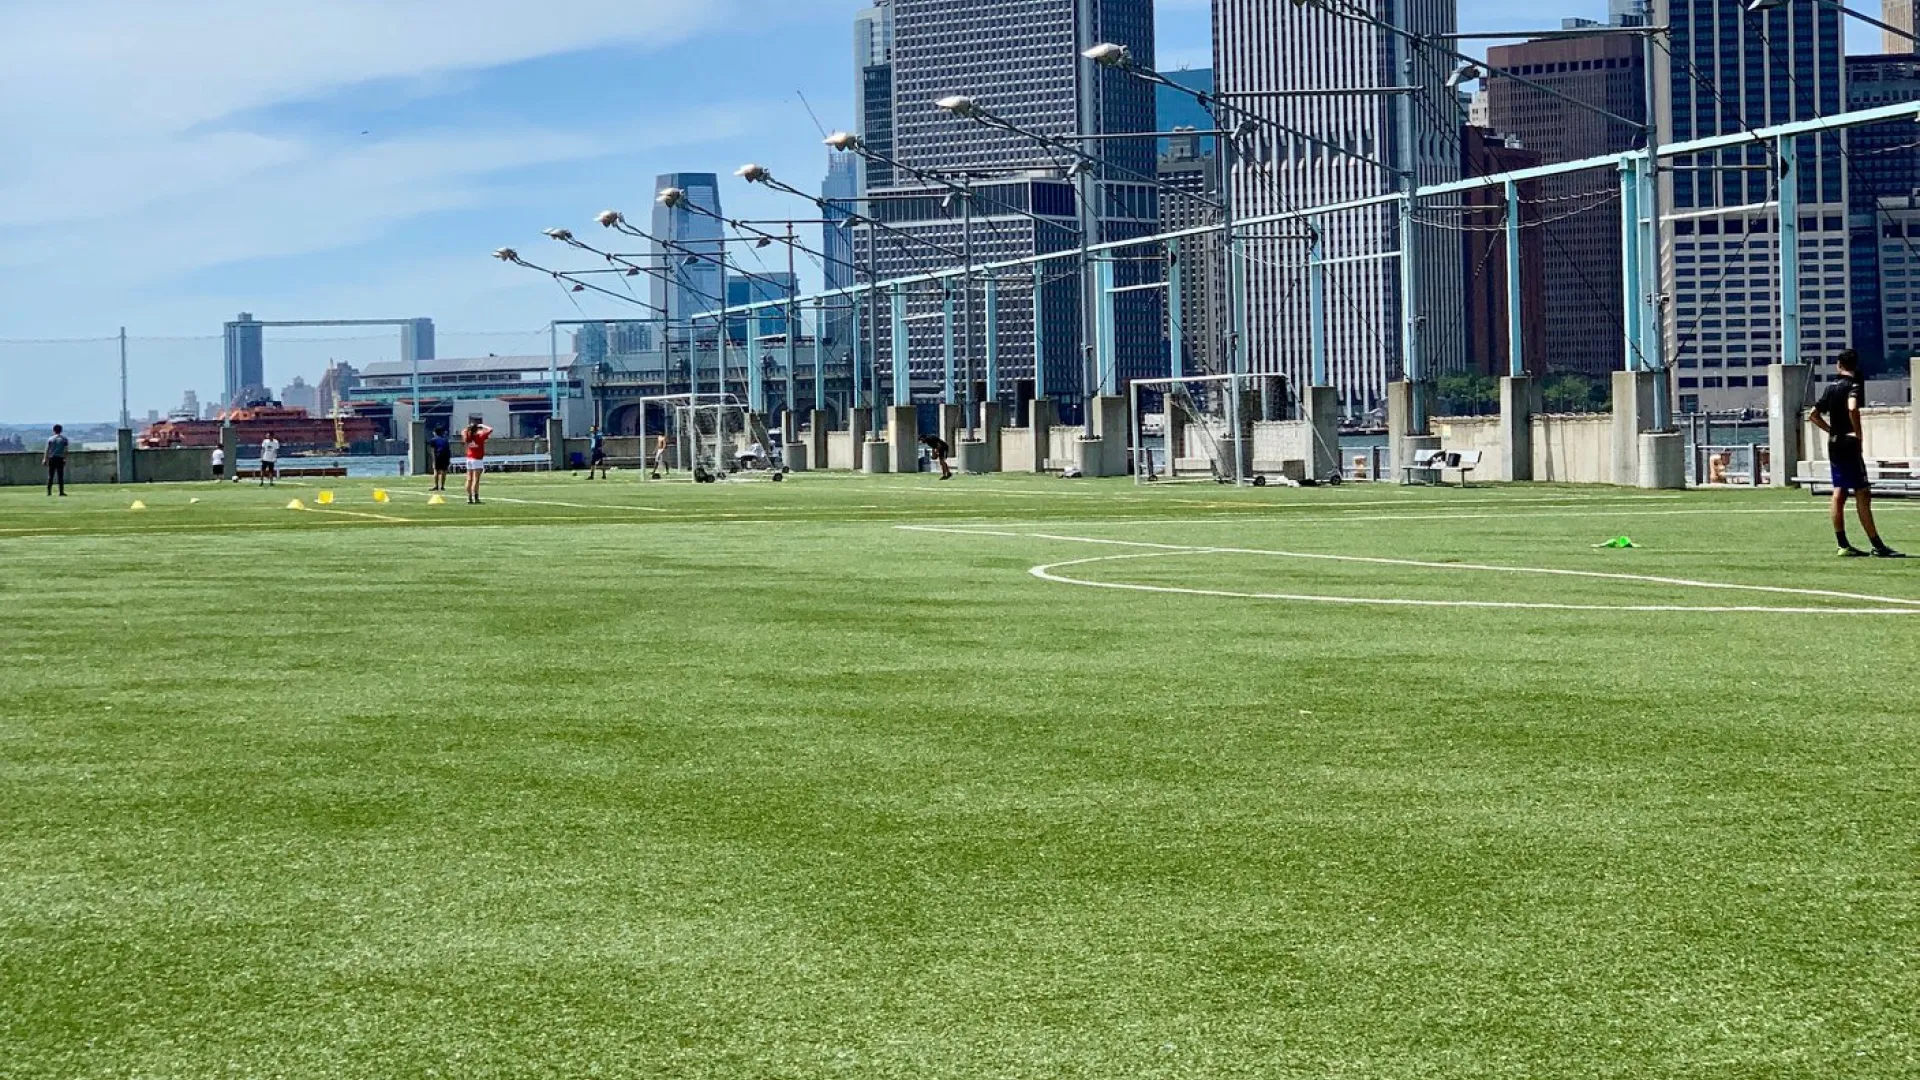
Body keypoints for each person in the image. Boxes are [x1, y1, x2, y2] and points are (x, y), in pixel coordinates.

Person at [1811, 350, 1903, 558]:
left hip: (1833, 443)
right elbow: (1853, 408)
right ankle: (1877, 545)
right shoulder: (1853, 386)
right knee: (1862, 492)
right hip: (1848, 443)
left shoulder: (1830, 387)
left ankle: (1843, 544)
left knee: (1839, 492)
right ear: (1855, 365)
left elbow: (1813, 415)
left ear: (1838, 365)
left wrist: (1830, 430)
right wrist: (1858, 434)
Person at [462, 418, 493, 504]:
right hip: (477, 459)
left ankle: (468, 497)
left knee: (469, 479)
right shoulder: (479, 436)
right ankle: (476, 497)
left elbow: (464, 431)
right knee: (476, 480)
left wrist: (469, 428)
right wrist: (482, 425)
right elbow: (490, 430)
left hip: (469, 459)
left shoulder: (467, 436)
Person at [43, 424, 68, 497]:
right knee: (60, 476)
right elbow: (66, 450)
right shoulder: (64, 439)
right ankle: (61, 492)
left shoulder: (50, 439)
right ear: (61, 430)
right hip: (60, 458)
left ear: (54, 430)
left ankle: (49, 492)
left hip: (52, 458)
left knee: (50, 475)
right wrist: (65, 459)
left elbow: (47, 449)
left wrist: (45, 458)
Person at [429, 427, 452, 491]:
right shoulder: (445, 440)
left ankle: (436, 486)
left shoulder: (433, 440)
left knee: (436, 470)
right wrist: (449, 459)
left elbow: (433, 451)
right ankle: (442, 486)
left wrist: (433, 460)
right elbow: (448, 450)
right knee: (444, 471)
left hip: (438, 456)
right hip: (446, 456)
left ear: (435, 433)